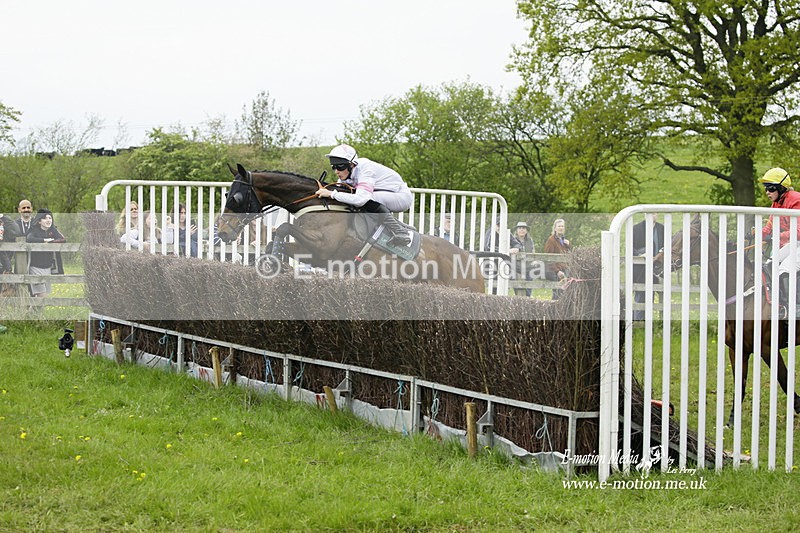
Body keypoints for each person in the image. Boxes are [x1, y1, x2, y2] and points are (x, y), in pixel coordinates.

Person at [315, 144, 413, 247]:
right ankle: (400, 225)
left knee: (365, 198)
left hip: (401, 196)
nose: (336, 171)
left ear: (351, 164)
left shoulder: (366, 169)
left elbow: (360, 200)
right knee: (351, 196)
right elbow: (340, 191)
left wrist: (331, 194)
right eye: (333, 167)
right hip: (387, 194)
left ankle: (400, 231)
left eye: (340, 167)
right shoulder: (347, 173)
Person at [759, 167, 800, 316]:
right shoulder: (776, 203)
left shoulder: (796, 200)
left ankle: (794, 308)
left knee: (785, 268)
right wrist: (755, 234)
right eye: (766, 189)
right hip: (794, 244)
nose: (767, 192)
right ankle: (777, 302)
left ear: (781, 188)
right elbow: (768, 229)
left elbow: (799, 232)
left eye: (770, 188)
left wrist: (777, 237)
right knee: (769, 263)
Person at [25, 208, 65, 298]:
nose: (48, 220)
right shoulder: (33, 230)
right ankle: (33, 311)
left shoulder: (53, 230)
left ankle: (31, 311)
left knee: (43, 297)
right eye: (45, 218)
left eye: (50, 218)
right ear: (39, 221)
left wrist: (51, 242)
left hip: (48, 268)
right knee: (42, 296)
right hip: (35, 268)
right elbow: (29, 239)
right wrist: (44, 240)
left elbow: (62, 239)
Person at [631, 215, 665, 320]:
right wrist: (641, 255)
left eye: (655, 213)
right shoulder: (636, 228)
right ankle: (638, 321)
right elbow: (630, 247)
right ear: (645, 215)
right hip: (640, 269)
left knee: (652, 294)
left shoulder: (662, 229)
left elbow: (667, 245)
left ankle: (648, 321)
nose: (653, 215)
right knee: (640, 295)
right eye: (651, 213)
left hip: (657, 268)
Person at [543, 218, 573, 300]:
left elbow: (571, 253)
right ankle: (554, 309)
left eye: (562, 226)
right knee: (557, 291)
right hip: (555, 270)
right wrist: (557, 271)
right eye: (559, 226)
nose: (561, 228)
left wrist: (569, 244)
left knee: (564, 291)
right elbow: (548, 258)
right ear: (555, 228)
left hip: (565, 268)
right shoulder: (551, 240)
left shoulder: (564, 240)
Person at [510, 221, 535, 296]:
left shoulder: (530, 240)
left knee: (528, 289)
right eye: (520, 228)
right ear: (516, 231)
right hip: (516, 268)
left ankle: (527, 303)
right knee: (518, 290)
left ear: (526, 231)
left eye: (524, 228)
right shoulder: (512, 240)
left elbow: (533, 252)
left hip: (528, 267)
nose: (522, 230)